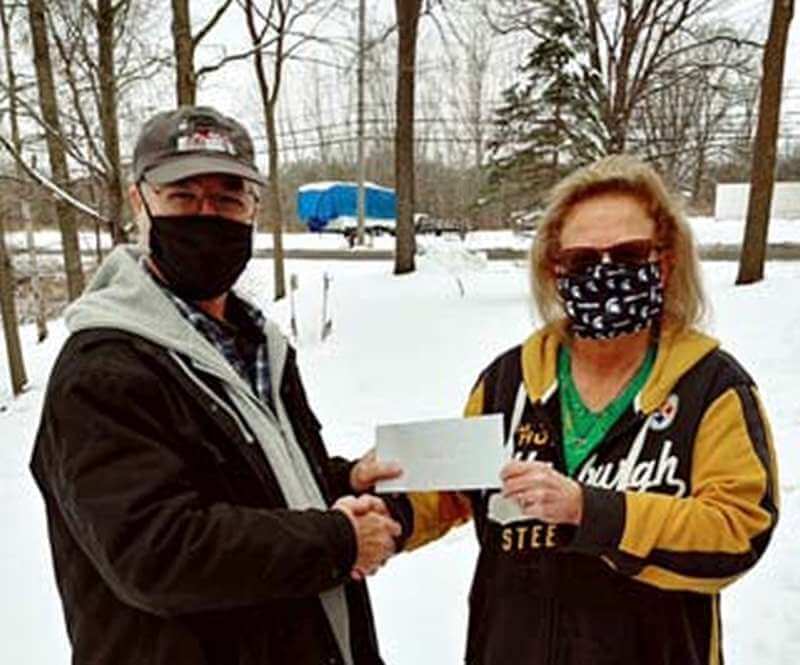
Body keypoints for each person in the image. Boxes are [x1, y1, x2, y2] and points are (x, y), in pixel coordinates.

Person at [30, 105, 403, 665]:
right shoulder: (104, 370)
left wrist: (340, 479)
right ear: (141, 202)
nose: (207, 216)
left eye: (228, 200)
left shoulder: (255, 344)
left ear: (253, 209)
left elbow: (249, 486)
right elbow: (155, 550)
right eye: (183, 197)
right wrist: (337, 540)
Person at [396, 155, 779, 664]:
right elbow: (448, 489)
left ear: (664, 262)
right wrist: (382, 510)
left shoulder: (712, 386)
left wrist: (592, 511)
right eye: (581, 261)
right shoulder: (508, 381)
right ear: (555, 272)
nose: (604, 273)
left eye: (627, 255)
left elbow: (737, 529)